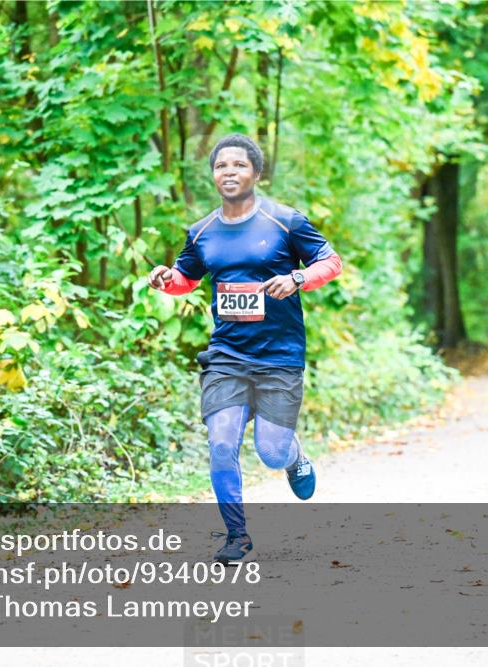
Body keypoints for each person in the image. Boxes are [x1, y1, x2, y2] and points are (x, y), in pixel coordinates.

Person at [147, 134, 342, 564]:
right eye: (221, 166)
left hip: (279, 355)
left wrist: (296, 279)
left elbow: (331, 262)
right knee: (221, 443)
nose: (229, 172)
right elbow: (186, 278)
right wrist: (166, 280)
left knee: (270, 451)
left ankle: (293, 456)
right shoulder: (201, 232)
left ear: (256, 172)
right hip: (227, 357)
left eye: (238, 165)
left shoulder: (285, 221)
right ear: (213, 174)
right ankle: (236, 536)